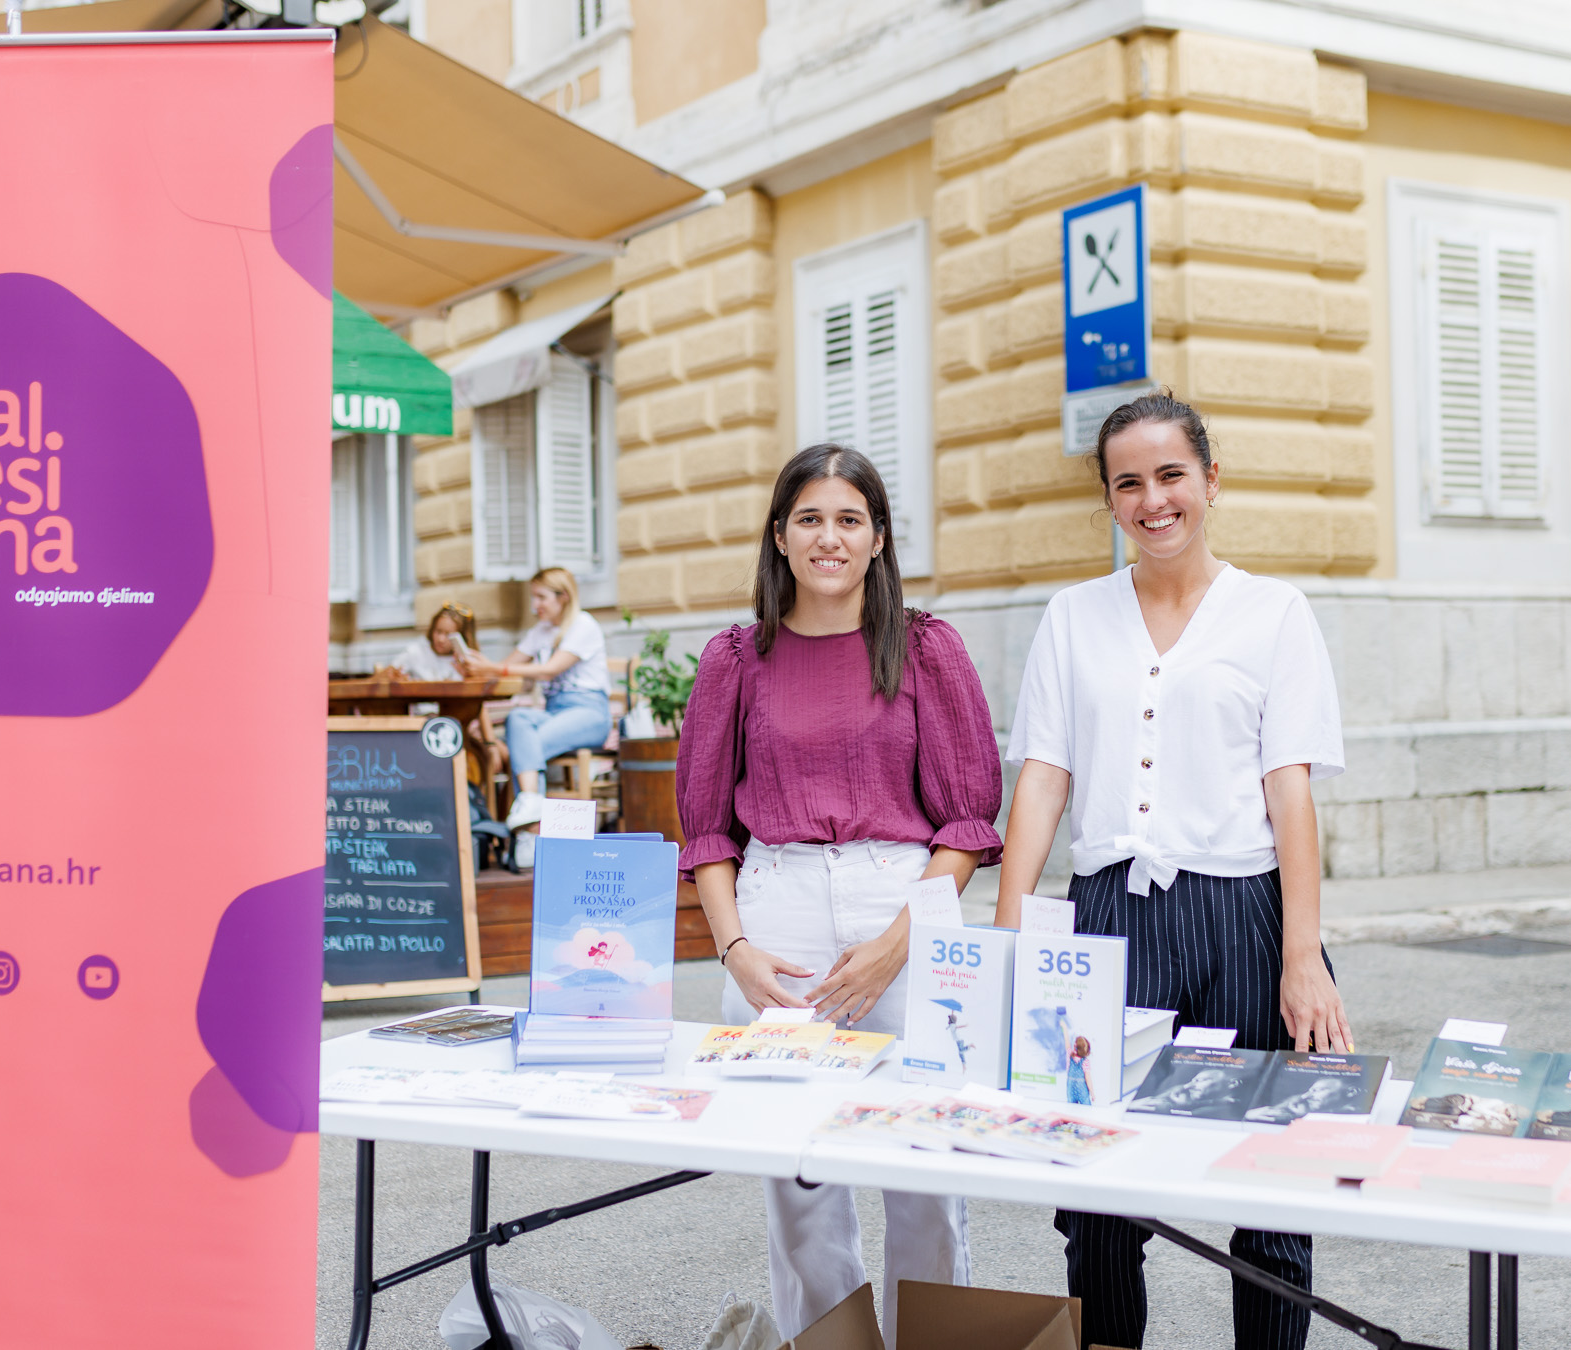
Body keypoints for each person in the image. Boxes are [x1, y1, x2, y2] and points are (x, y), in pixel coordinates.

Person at [995, 389, 1351, 1350]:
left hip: (1246, 916)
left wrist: (1303, 955)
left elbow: (1290, 792)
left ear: (1210, 480)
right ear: (1109, 500)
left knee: (1270, 1191)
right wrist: (1010, 930)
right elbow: (1043, 779)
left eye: (1171, 475)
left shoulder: (1274, 613)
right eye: (1129, 483)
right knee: (1098, 1196)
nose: (1153, 499)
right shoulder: (1074, 617)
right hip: (1109, 920)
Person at [677, 443, 1003, 1346]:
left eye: (848, 520)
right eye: (810, 519)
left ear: (878, 536)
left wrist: (902, 938)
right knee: (800, 1174)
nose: (830, 538)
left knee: (924, 1160)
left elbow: (969, 820)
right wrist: (736, 950)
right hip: (773, 902)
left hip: (904, 896)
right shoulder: (735, 659)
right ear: (780, 536)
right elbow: (707, 831)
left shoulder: (929, 649)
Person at [461, 567, 611, 835]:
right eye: (534, 598)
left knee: (525, 747)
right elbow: (506, 666)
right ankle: (531, 805)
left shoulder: (583, 624)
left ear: (563, 596)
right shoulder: (541, 631)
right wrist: (475, 666)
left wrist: (495, 668)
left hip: (589, 713)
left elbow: (548, 670)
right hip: (554, 713)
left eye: (541, 598)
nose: (534, 606)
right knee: (518, 719)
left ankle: (531, 830)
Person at [377, 603, 470, 681]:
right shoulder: (416, 652)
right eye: (438, 631)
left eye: (448, 634)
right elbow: (387, 674)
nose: (441, 639)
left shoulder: (466, 661)